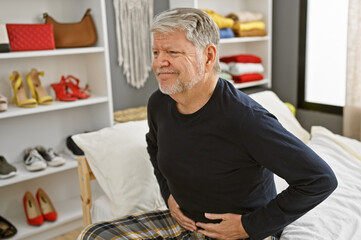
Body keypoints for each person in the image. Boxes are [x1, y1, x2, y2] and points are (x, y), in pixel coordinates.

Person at [79, 8, 337, 240]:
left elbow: (319, 179)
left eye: (172, 52)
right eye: (156, 52)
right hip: (185, 223)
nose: (159, 62)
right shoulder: (159, 103)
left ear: (208, 56)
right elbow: (154, 147)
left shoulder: (246, 118)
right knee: (94, 235)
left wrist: (249, 226)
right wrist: (168, 194)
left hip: (237, 234)